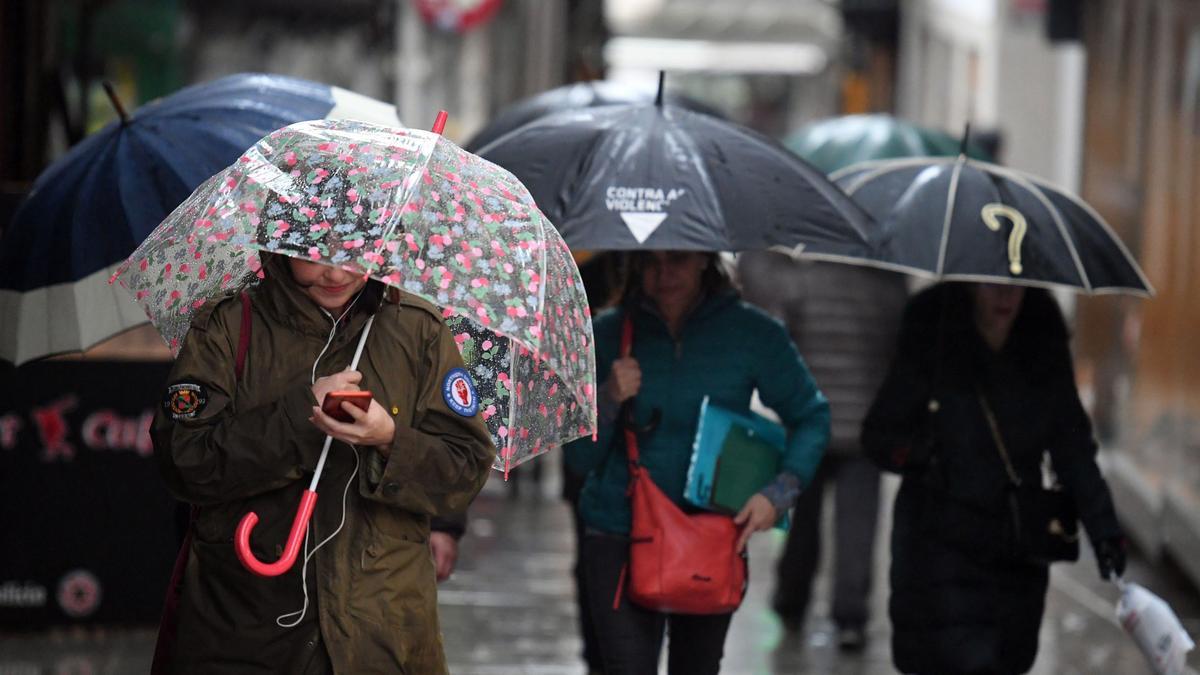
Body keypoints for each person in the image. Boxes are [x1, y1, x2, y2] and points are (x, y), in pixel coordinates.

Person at [151, 254, 495, 674]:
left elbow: (465, 468)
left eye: (353, 253)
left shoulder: (418, 328)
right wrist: (300, 415)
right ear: (282, 247)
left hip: (382, 633)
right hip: (245, 627)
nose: (336, 273)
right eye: (316, 256)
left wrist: (390, 439)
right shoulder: (228, 325)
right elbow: (184, 461)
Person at [566, 250, 830, 675]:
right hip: (619, 536)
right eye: (650, 262)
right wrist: (609, 399)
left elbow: (812, 416)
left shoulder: (752, 333)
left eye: (678, 260)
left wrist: (779, 493)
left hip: (710, 538)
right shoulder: (607, 335)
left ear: (706, 260)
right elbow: (580, 459)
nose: (663, 273)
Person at [862, 282, 1127, 675]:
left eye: (1016, 287)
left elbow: (1072, 446)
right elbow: (879, 436)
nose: (1006, 297)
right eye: (993, 285)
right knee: (962, 659)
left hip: (1016, 549)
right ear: (971, 285)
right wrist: (928, 455)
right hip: (938, 543)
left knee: (1007, 658)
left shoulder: (1042, 340)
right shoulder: (931, 334)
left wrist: (1104, 529)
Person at [737, 251, 907, 650]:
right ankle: (851, 617)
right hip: (865, 426)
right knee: (858, 528)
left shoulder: (803, 280)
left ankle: (791, 600)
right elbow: (896, 351)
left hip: (809, 426)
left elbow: (784, 341)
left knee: (803, 522)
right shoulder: (888, 284)